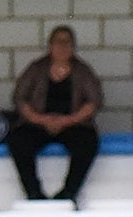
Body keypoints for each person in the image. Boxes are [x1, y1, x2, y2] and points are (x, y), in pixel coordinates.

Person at [6, 25, 103, 205]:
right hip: (37, 124)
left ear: (73, 46)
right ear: (50, 45)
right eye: (58, 42)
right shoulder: (36, 68)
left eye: (67, 42)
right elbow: (19, 98)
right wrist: (41, 119)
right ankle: (34, 194)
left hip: (73, 125)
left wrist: (67, 120)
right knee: (18, 141)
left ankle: (68, 194)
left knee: (88, 143)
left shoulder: (83, 71)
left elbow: (94, 101)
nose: (62, 46)